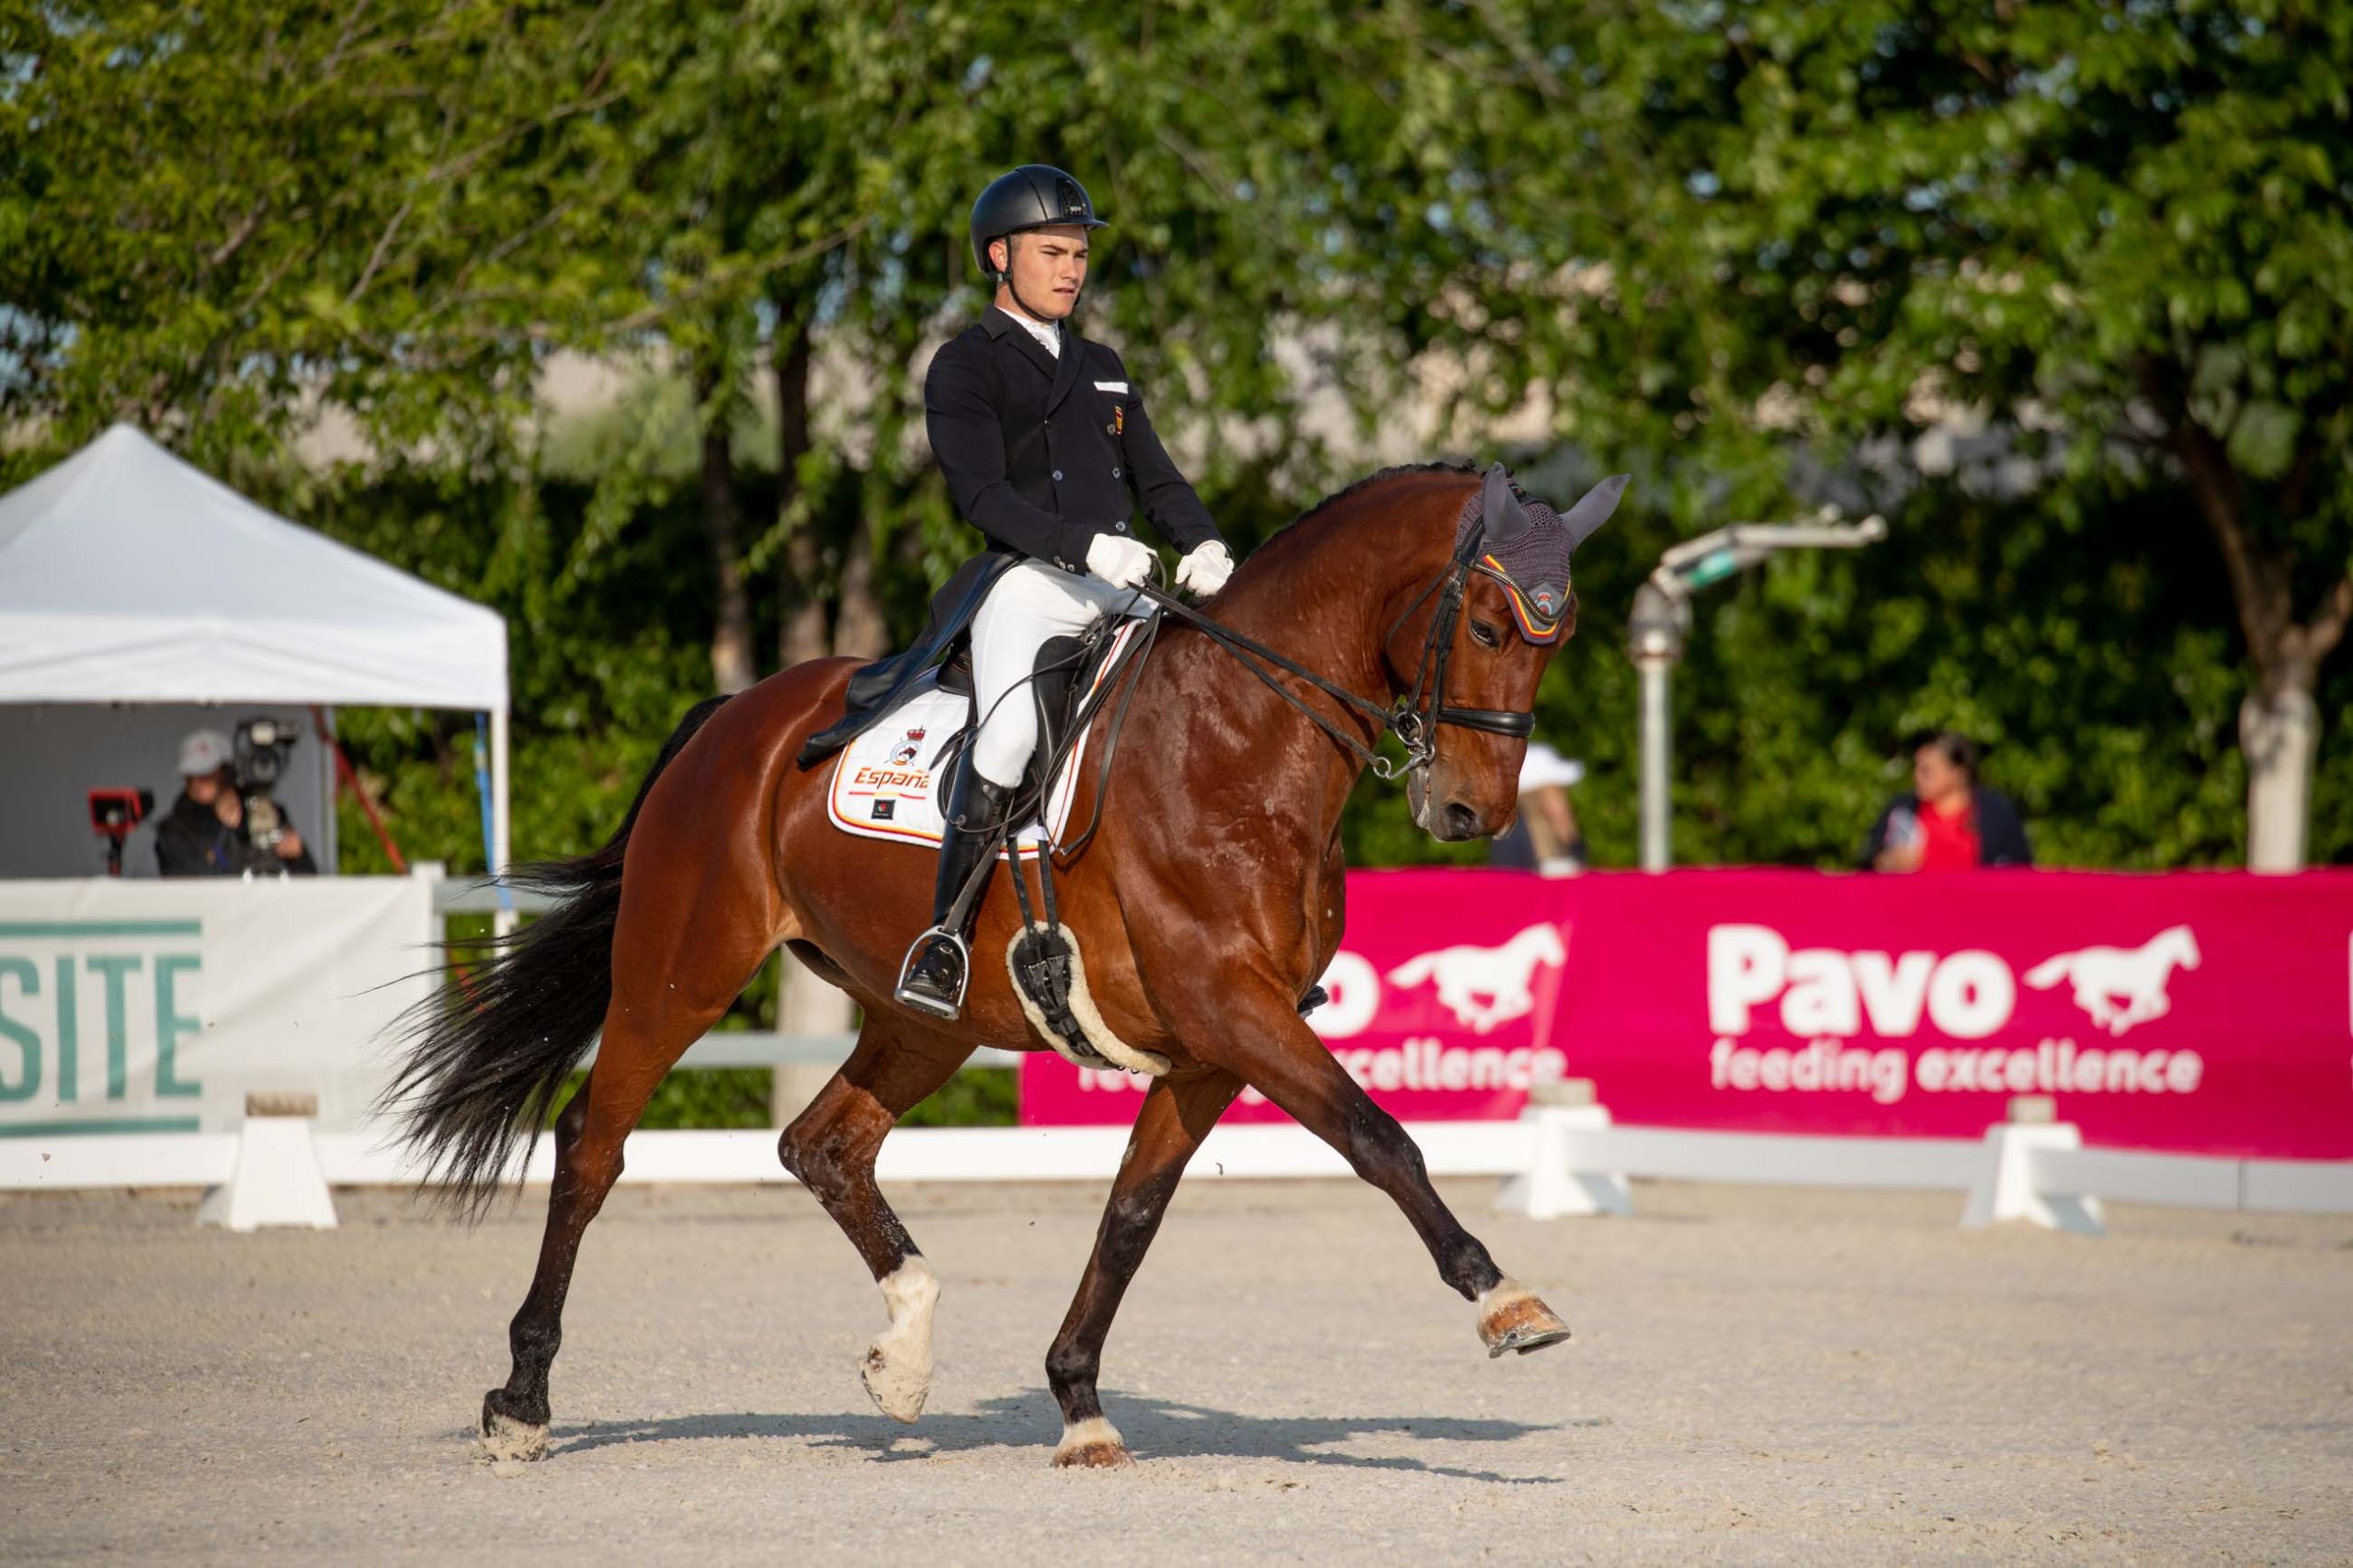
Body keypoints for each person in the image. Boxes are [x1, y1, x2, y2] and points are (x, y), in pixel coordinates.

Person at [892, 164, 1233, 1019]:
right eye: (1053, 252)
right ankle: (946, 938)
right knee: (1008, 737)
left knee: (1213, 712)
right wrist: (1083, 545)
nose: (1072, 269)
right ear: (999, 256)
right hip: (1029, 583)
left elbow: (1157, 480)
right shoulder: (964, 367)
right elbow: (982, 498)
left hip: (1123, 588)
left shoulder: (1104, 366)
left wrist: (1203, 540)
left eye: (1079, 253)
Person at [154, 728, 317, 876]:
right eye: (190, 777)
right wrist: (219, 824)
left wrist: (297, 855)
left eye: (205, 774)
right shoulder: (172, 830)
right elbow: (191, 883)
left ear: (225, 774)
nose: (196, 783)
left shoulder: (265, 811)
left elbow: (310, 882)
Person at [1859, 731, 2030, 871]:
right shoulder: (1902, 809)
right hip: (1916, 907)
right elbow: (1867, 863)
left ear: (1958, 773)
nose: (1916, 776)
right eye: (1916, 768)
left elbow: (2019, 870)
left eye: (1927, 771)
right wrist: (1888, 863)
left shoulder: (1996, 812)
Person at [1488, 742, 1588, 875]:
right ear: (1536, 797)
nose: (1565, 802)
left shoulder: (1567, 837)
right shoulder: (1513, 839)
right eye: (1556, 791)